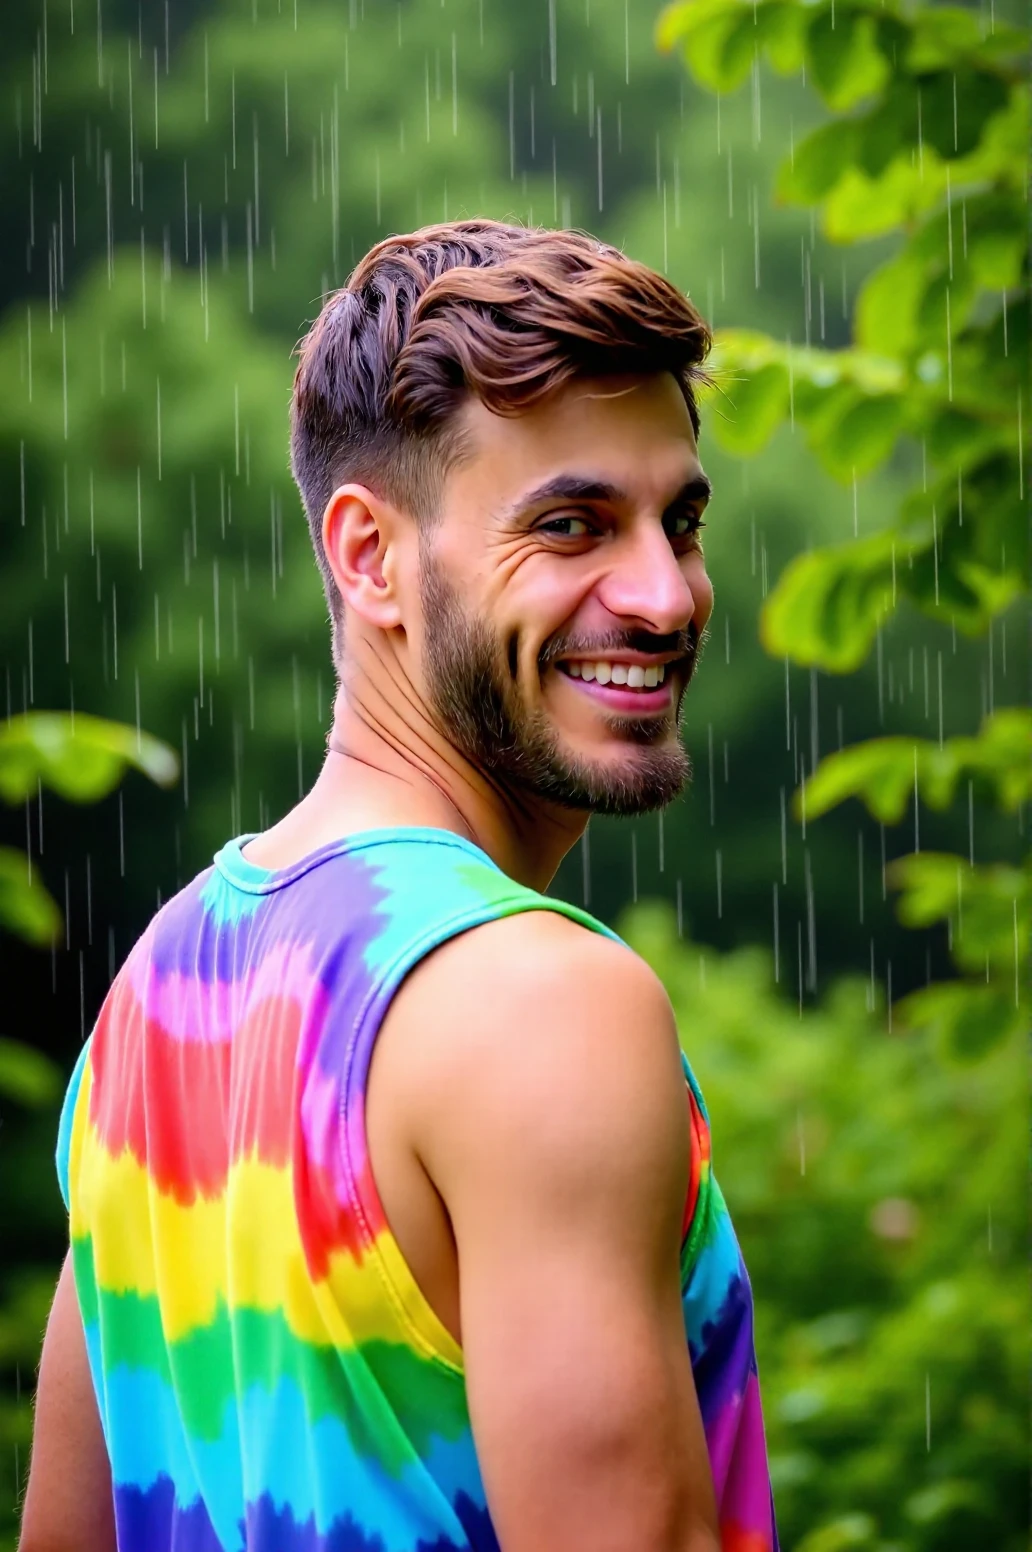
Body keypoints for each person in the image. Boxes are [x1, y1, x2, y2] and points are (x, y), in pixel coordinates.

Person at [21, 220, 778, 1552]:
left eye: (682, 520)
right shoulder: (544, 1003)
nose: (667, 596)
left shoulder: (161, 986)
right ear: (370, 556)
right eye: (572, 525)